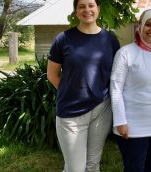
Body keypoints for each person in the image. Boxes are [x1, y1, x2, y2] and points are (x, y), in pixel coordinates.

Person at [47, 0, 120, 171]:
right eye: (81, 6)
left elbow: (116, 76)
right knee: (75, 168)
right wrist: (70, 91)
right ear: (75, 11)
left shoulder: (110, 40)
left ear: (98, 8)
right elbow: (52, 74)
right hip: (71, 114)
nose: (87, 10)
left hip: (101, 110)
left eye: (91, 5)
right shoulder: (63, 39)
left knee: (93, 166)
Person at [110, 9, 151, 172]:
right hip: (132, 125)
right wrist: (120, 120)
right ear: (140, 26)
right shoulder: (125, 53)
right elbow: (115, 88)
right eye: (148, 24)